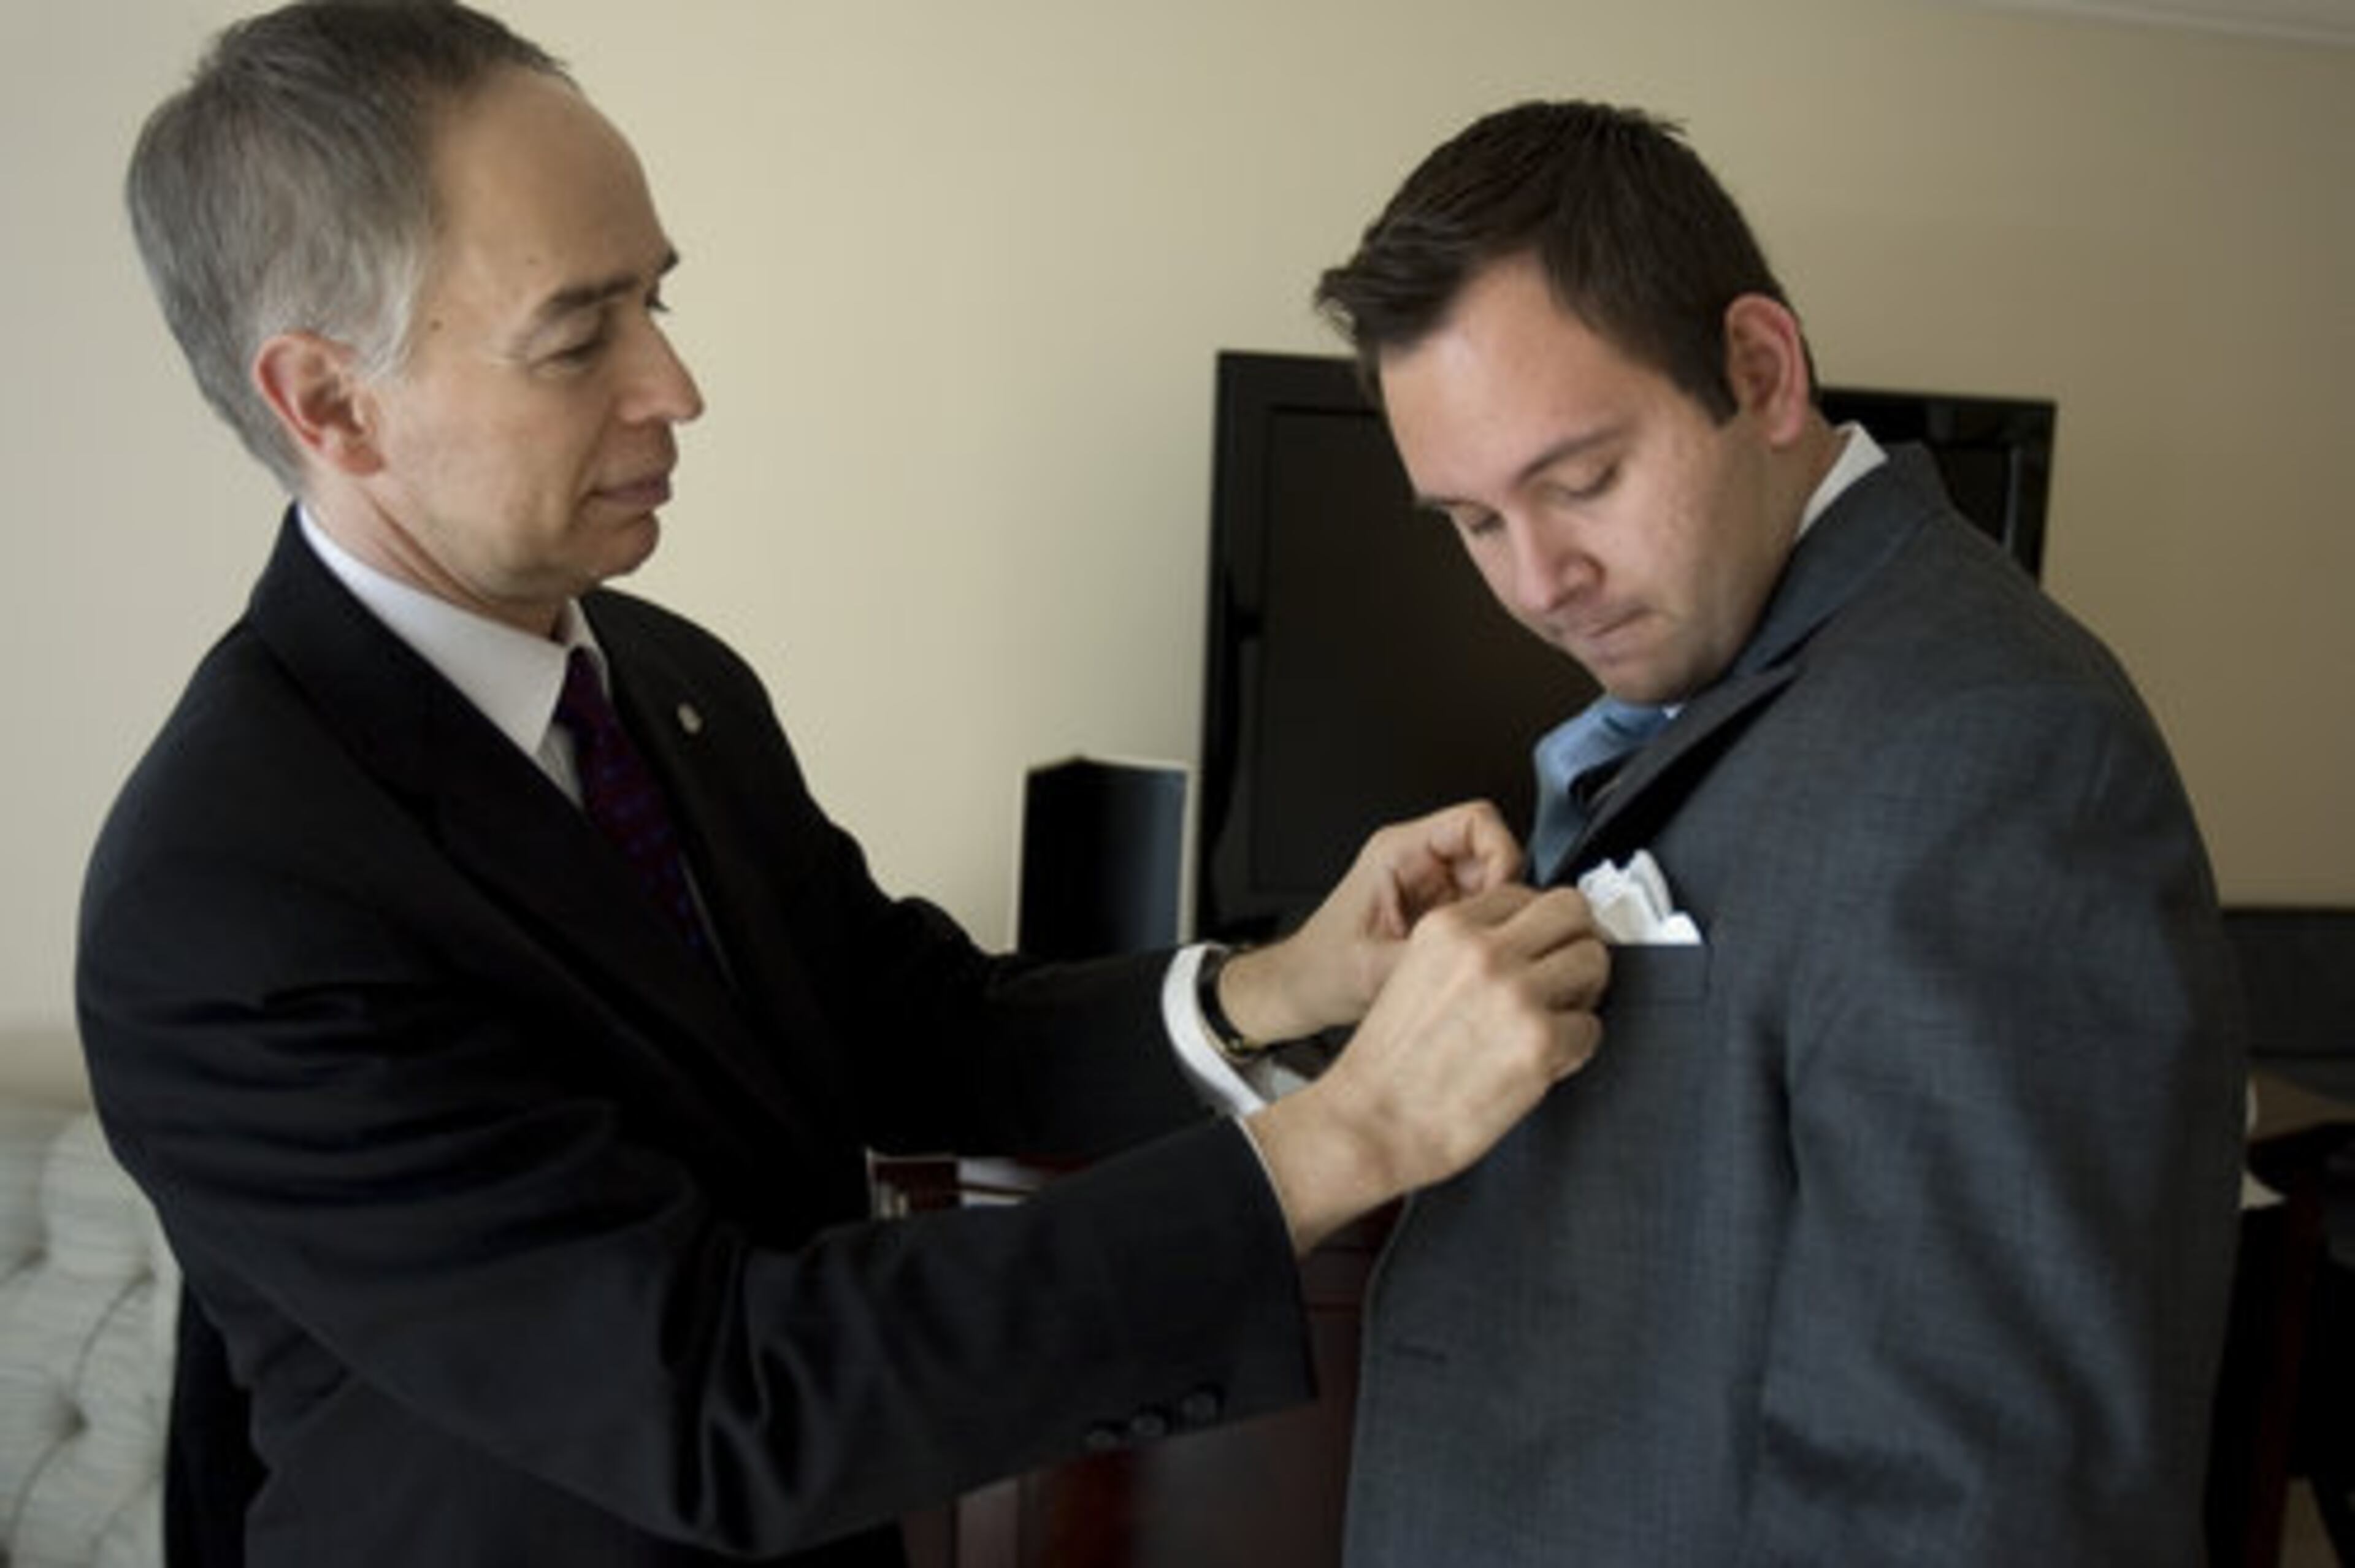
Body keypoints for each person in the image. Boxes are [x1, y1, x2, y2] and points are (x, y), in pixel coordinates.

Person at [76, 9, 1610, 1566]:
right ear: (330, 403)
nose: (675, 386)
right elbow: (724, 1399)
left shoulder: (670, 681)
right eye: (579, 334)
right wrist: (1350, 1135)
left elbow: (906, 1025)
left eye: (657, 301)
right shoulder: (227, 902)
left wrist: (1284, 983)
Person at [1309, 101, 2247, 1566]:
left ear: (1761, 369)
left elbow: (1978, 1507)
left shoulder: (1996, 753)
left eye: (1580, 480)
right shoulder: (1746, 675)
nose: (1540, 580)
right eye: (1475, 522)